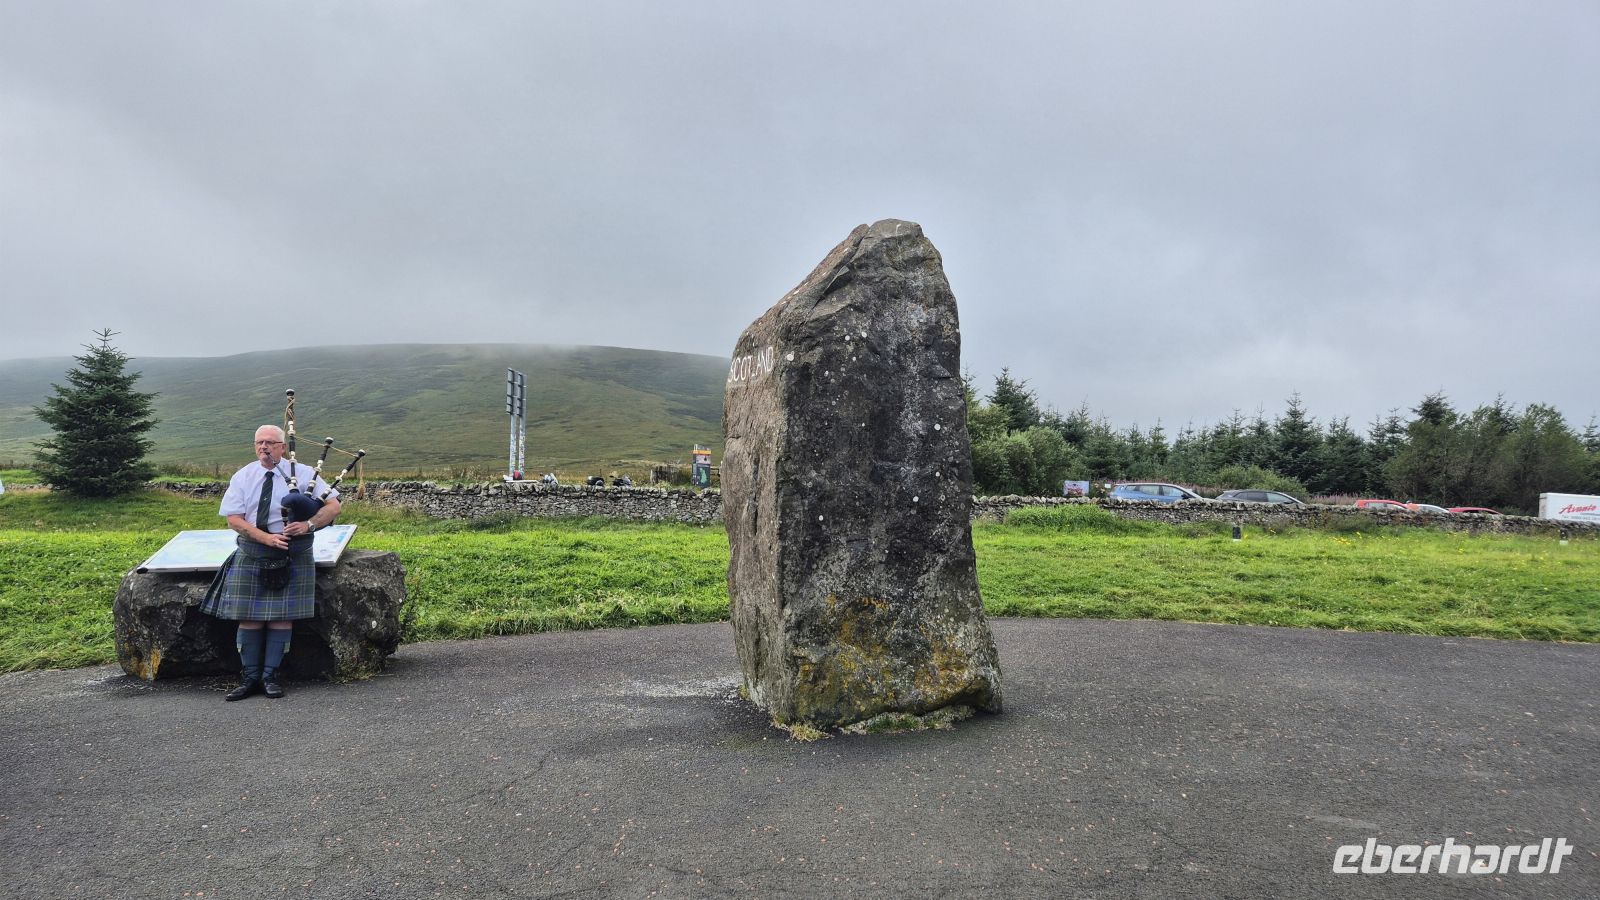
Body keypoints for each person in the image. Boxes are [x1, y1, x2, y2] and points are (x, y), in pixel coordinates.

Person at [203, 425, 341, 700]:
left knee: (282, 619)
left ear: (282, 447)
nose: (263, 447)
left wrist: (308, 525)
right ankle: (249, 678)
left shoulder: (303, 474)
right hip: (254, 550)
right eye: (259, 442)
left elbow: (333, 506)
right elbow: (234, 518)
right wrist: (265, 539)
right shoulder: (243, 476)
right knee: (249, 618)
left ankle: (271, 677)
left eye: (269, 442)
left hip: (293, 552)